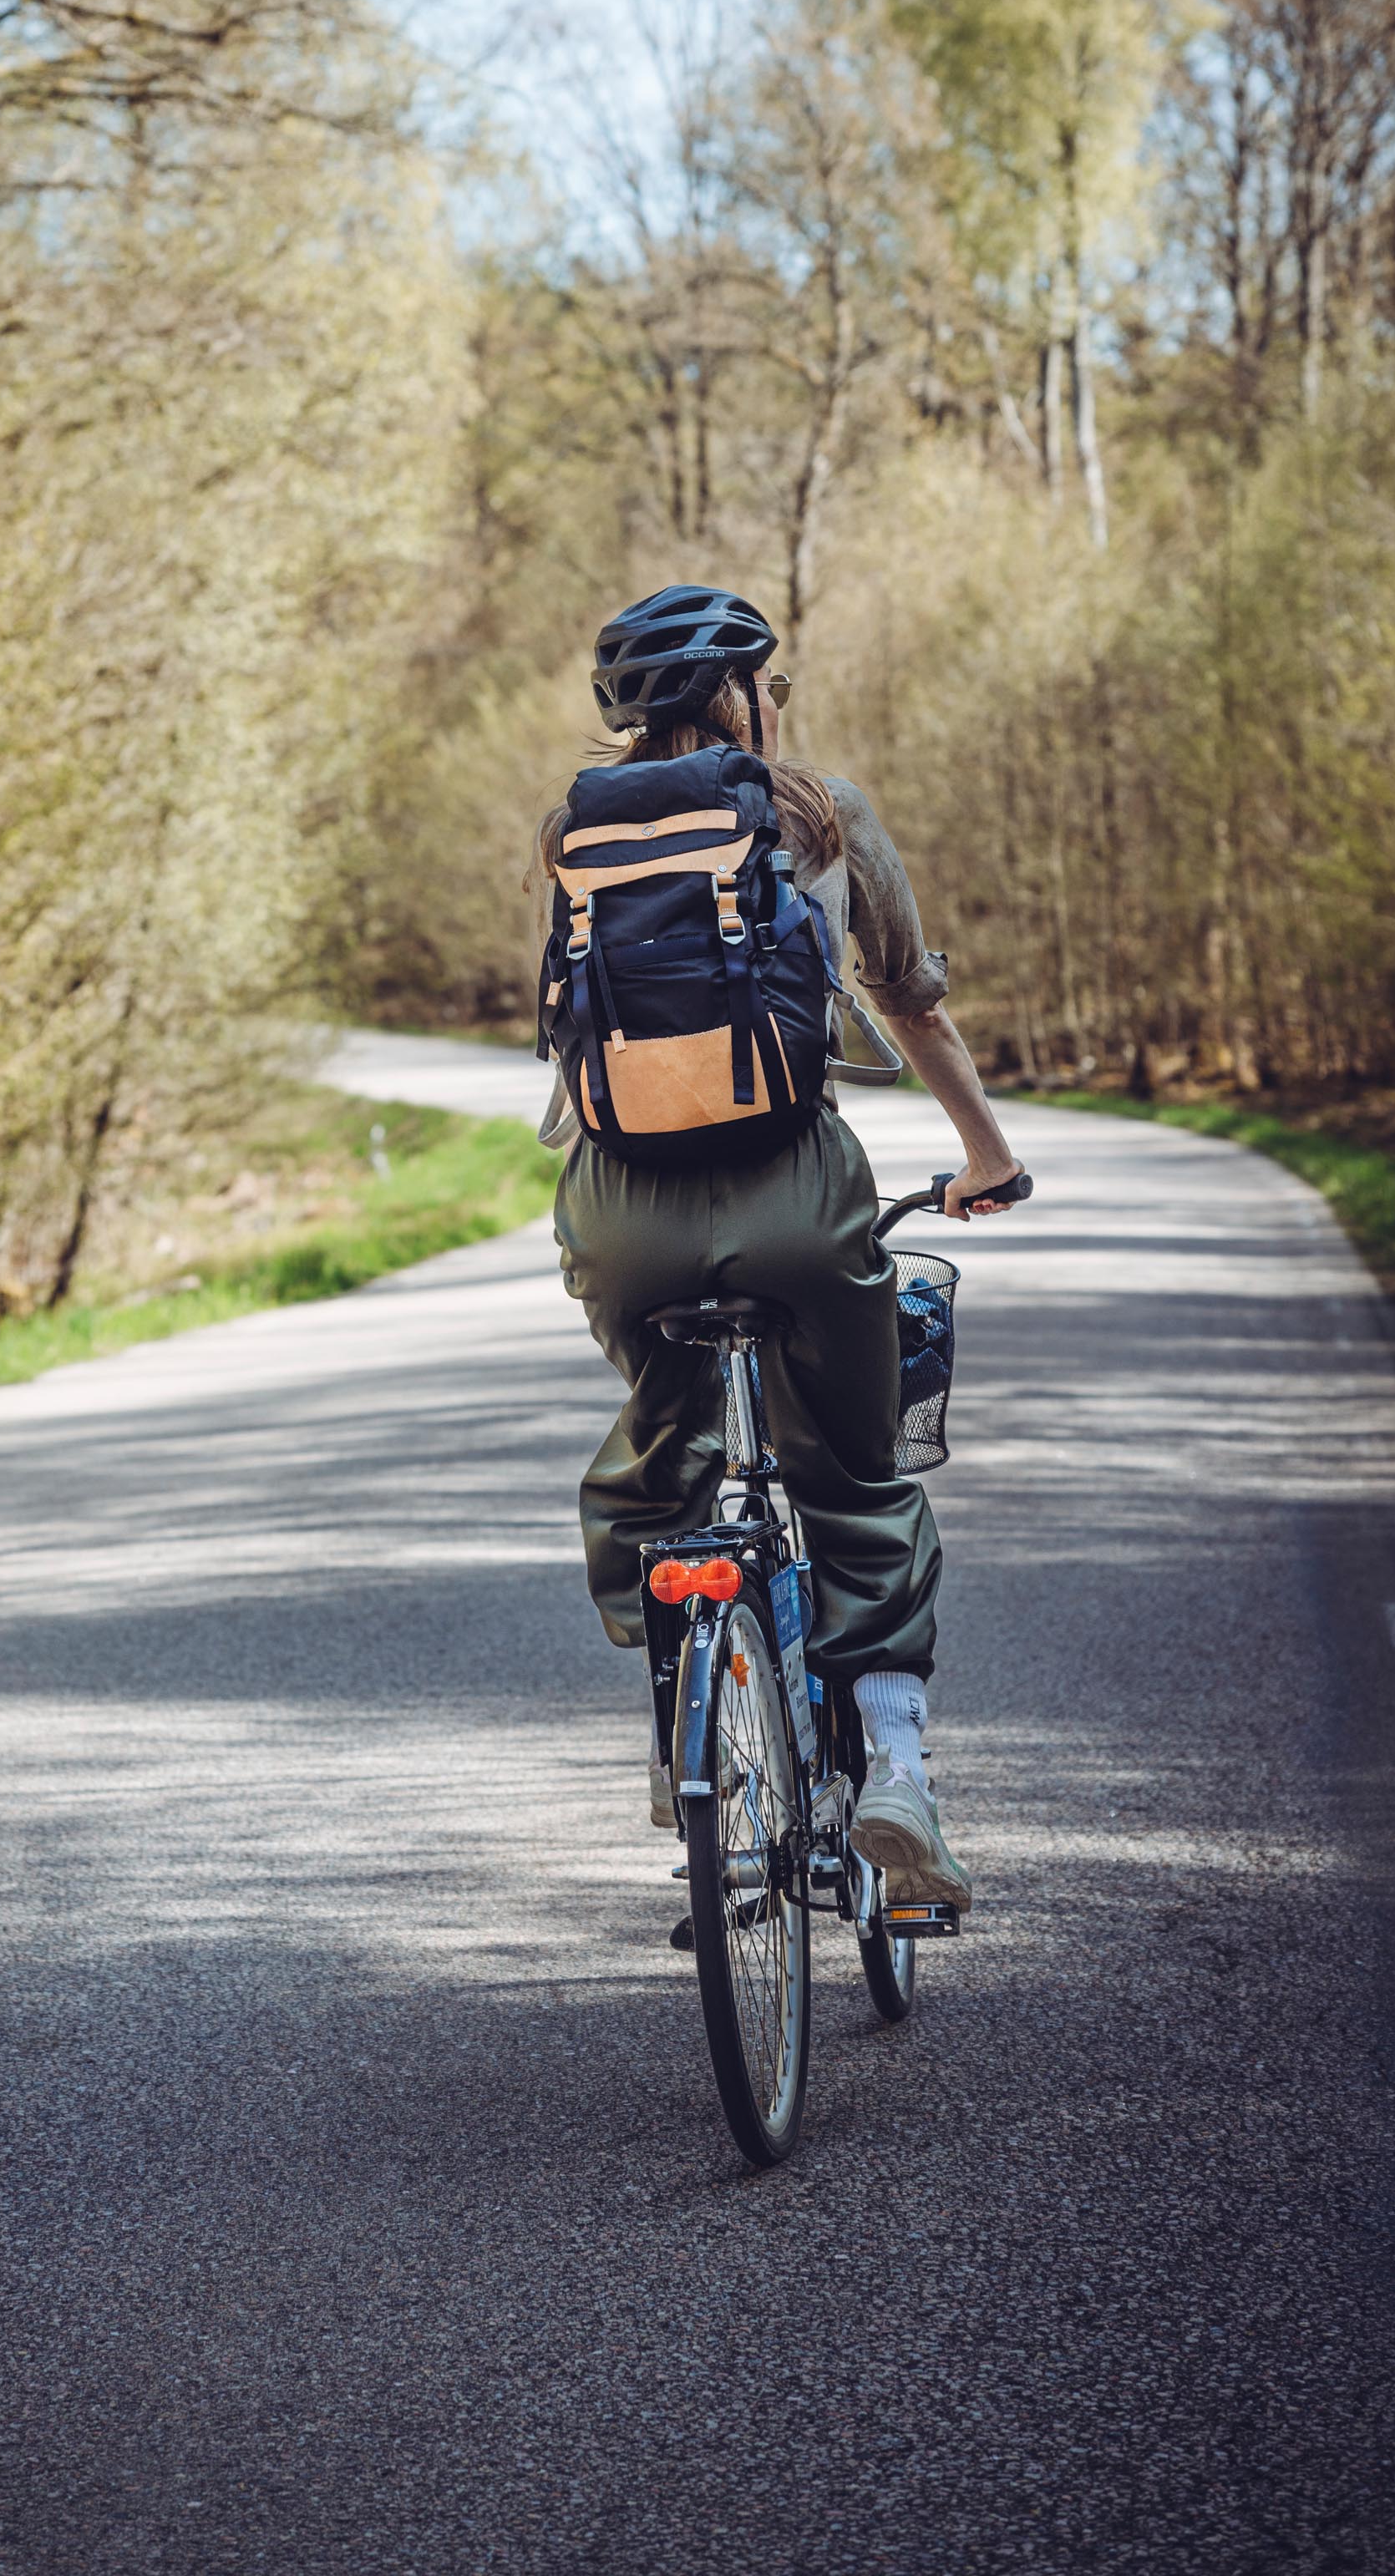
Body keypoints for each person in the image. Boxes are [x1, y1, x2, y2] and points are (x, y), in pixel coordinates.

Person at [535, 584, 1025, 1913]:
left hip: (618, 1208)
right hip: (798, 1195)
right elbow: (911, 1003)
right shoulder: (822, 810)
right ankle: (901, 1784)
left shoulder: (574, 831)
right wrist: (986, 1157)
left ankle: (679, 1730)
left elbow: (574, 1040)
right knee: (860, 1478)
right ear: (749, 694)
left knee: (659, 1462)